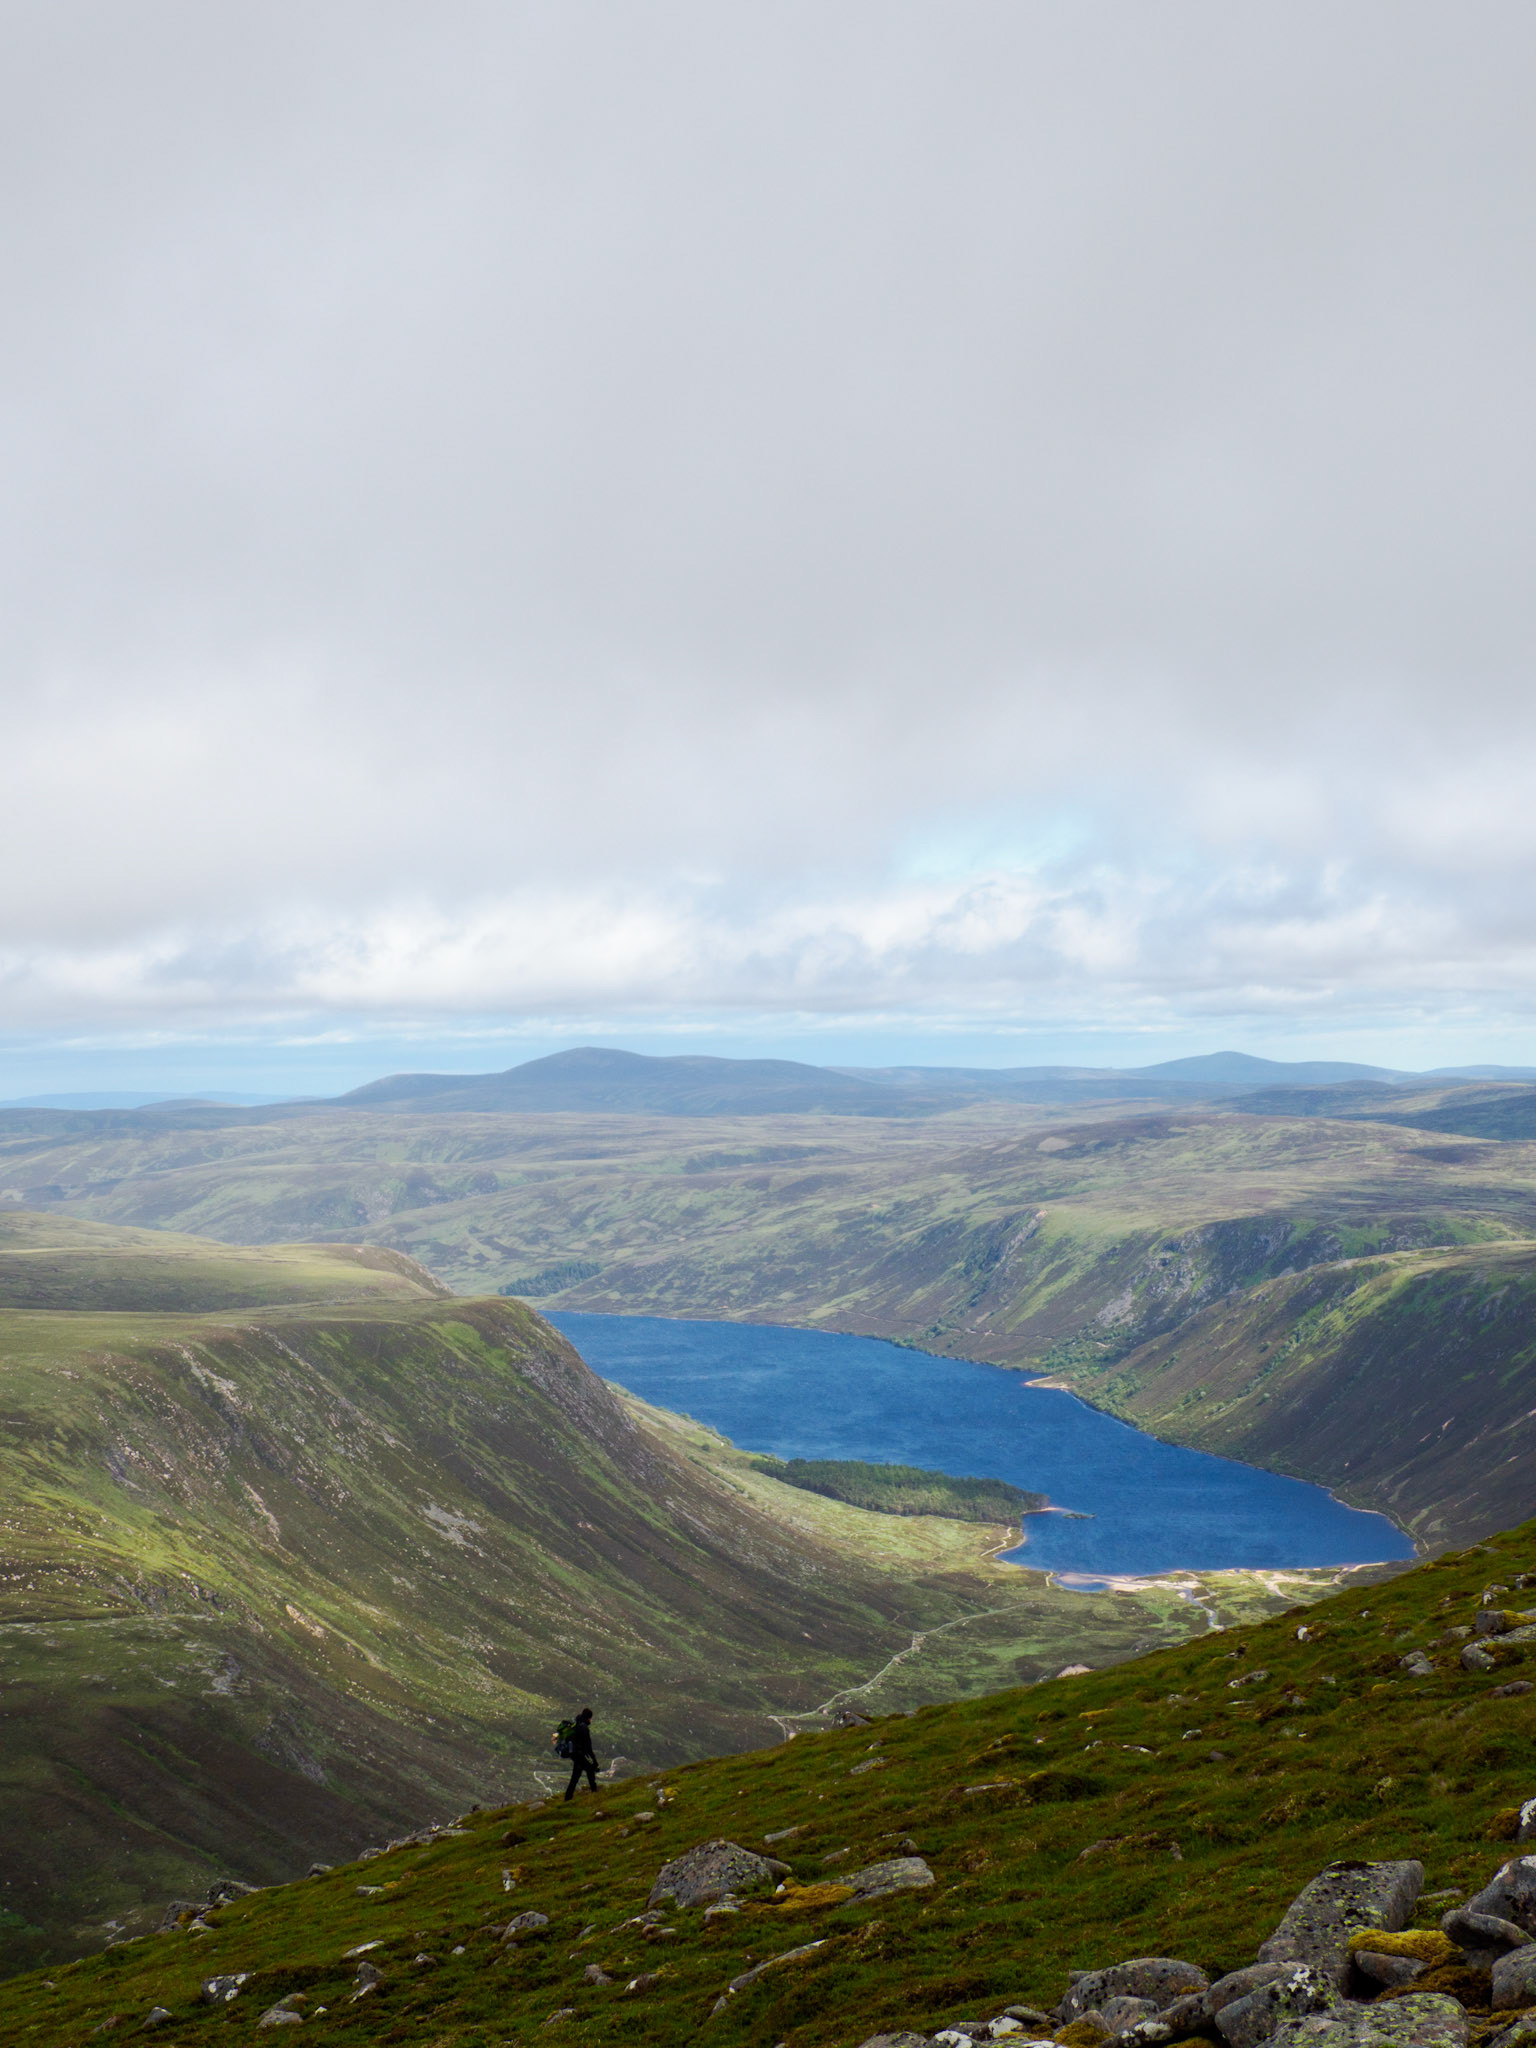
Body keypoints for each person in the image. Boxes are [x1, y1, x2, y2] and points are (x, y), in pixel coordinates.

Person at [563, 1706, 600, 1800]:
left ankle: (568, 1798)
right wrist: (594, 1761)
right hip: (580, 1755)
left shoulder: (577, 1725)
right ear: (589, 1718)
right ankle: (594, 1792)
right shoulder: (584, 1728)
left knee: (575, 1777)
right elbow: (588, 1747)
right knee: (590, 1771)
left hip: (575, 1755)